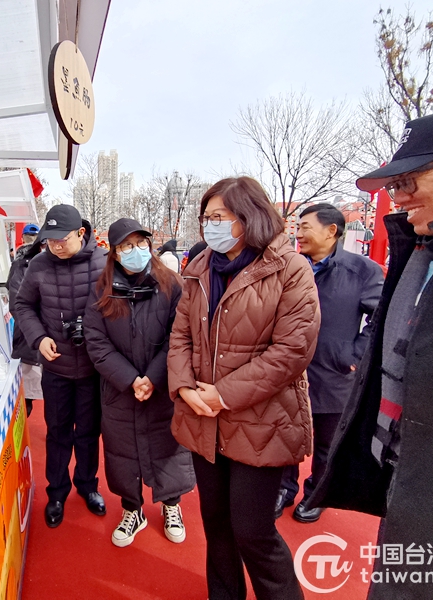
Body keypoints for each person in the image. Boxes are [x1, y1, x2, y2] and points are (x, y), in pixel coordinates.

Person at [310, 107, 433, 599]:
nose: (398, 195)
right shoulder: (423, 248)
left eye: (410, 180)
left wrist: (347, 353)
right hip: (403, 487)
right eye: (392, 184)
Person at [168, 176, 319, 600]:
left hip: (261, 420)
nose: (209, 226)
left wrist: (222, 395)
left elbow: (292, 350)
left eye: (219, 217)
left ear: (248, 216)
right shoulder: (199, 268)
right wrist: (184, 388)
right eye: (206, 218)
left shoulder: (289, 268)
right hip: (202, 417)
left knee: (252, 531)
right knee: (216, 525)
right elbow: (180, 336)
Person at [84, 218, 195, 548]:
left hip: (163, 387)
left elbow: (179, 335)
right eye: (127, 246)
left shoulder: (172, 284)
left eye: (141, 243)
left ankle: (171, 505)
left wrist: (153, 377)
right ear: (115, 253)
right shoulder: (101, 289)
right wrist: (131, 379)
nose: (136, 251)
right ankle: (132, 509)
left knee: (168, 447)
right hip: (120, 389)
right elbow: (96, 341)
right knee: (122, 452)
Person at [275, 204, 384, 523]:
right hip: (289, 371)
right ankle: (283, 489)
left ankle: (316, 494)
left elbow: (380, 317)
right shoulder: (290, 267)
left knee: (327, 444)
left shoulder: (362, 270)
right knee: (287, 437)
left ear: (331, 231)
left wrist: (354, 355)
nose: (298, 233)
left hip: (334, 374)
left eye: (305, 227)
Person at [13, 204, 107, 528]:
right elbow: (22, 304)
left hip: (93, 369)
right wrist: (38, 338)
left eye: (61, 239)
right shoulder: (39, 265)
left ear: (81, 233)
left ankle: (88, 485)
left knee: (89, 433)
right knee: (57, 433)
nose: (55, 246)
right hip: (56, 369)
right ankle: (56, 492)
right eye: (50, 240)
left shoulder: (103, 263)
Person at [6, 223, 42, 417]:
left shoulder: (52, 262)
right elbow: (18, 304)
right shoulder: (21, 262)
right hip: (30, 340)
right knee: (28, 393)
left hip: (43, 343)